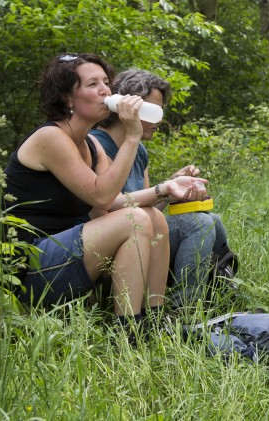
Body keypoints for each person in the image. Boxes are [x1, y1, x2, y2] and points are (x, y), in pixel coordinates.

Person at [0, 53, 205, 335]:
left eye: (106, 82)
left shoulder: (90, 147)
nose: (106, 90)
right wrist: (132, 135)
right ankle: (128, 333)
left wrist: (164, 190)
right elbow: (102, 196)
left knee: (152, 216)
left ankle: (154, 321)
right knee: (136, 220)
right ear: (68, 99)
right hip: (23, 269)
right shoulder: (50, 138)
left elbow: (114, 203)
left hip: (59, 258)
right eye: (93, 84)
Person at [90, 68, 232, 309]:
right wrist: (165, 188)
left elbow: (148, 207)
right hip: (112, 245)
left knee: (213, 220)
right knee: (201, 224)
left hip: (139, 231)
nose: (159, 121)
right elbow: (102, 211)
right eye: (151, 112)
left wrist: (172, 186)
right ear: (125, 109)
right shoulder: (96, 145)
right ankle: (182, 309)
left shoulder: (139, 150)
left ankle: (220, 291)